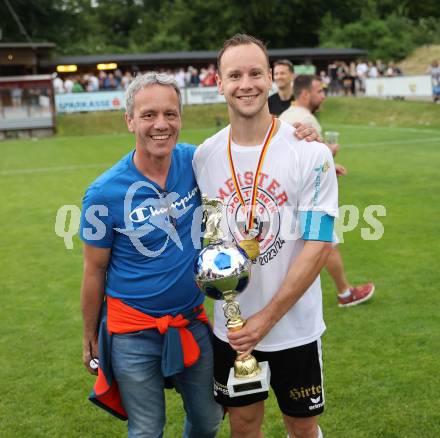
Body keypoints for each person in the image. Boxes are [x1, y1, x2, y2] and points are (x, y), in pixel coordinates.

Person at [193, 34, 339, 438]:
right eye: (234, 74)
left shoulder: (310, 154)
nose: (247, 84)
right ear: (218, 83)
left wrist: (267, 318)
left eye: (256, 73)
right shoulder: (203, 157)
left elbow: (319, 243)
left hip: (294, 326)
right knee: (242, 426)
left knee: (302, 427)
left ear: (272, 78)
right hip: (233, 330)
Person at [79, 72, 223, 437]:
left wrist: (305, 149)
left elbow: (247, 155)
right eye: (148, 115)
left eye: (170, 114)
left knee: (209, 419)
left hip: (190, 320)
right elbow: (94, 271)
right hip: (132, 333)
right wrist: (90, 333)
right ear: (129, 121)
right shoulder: (103, 193)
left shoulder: (196, 161)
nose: (161, 124)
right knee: (146, 429)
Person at [280, 74, 375, 307]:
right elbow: (309, 161)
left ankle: (341, 291)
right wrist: (329, 154)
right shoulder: (304, 119)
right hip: (306, 196)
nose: (323, 95)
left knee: (315, 243)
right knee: (325, 240)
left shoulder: (286, 116)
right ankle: (344, 293)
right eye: (319, 91)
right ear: (304, 94)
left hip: (287, 194)